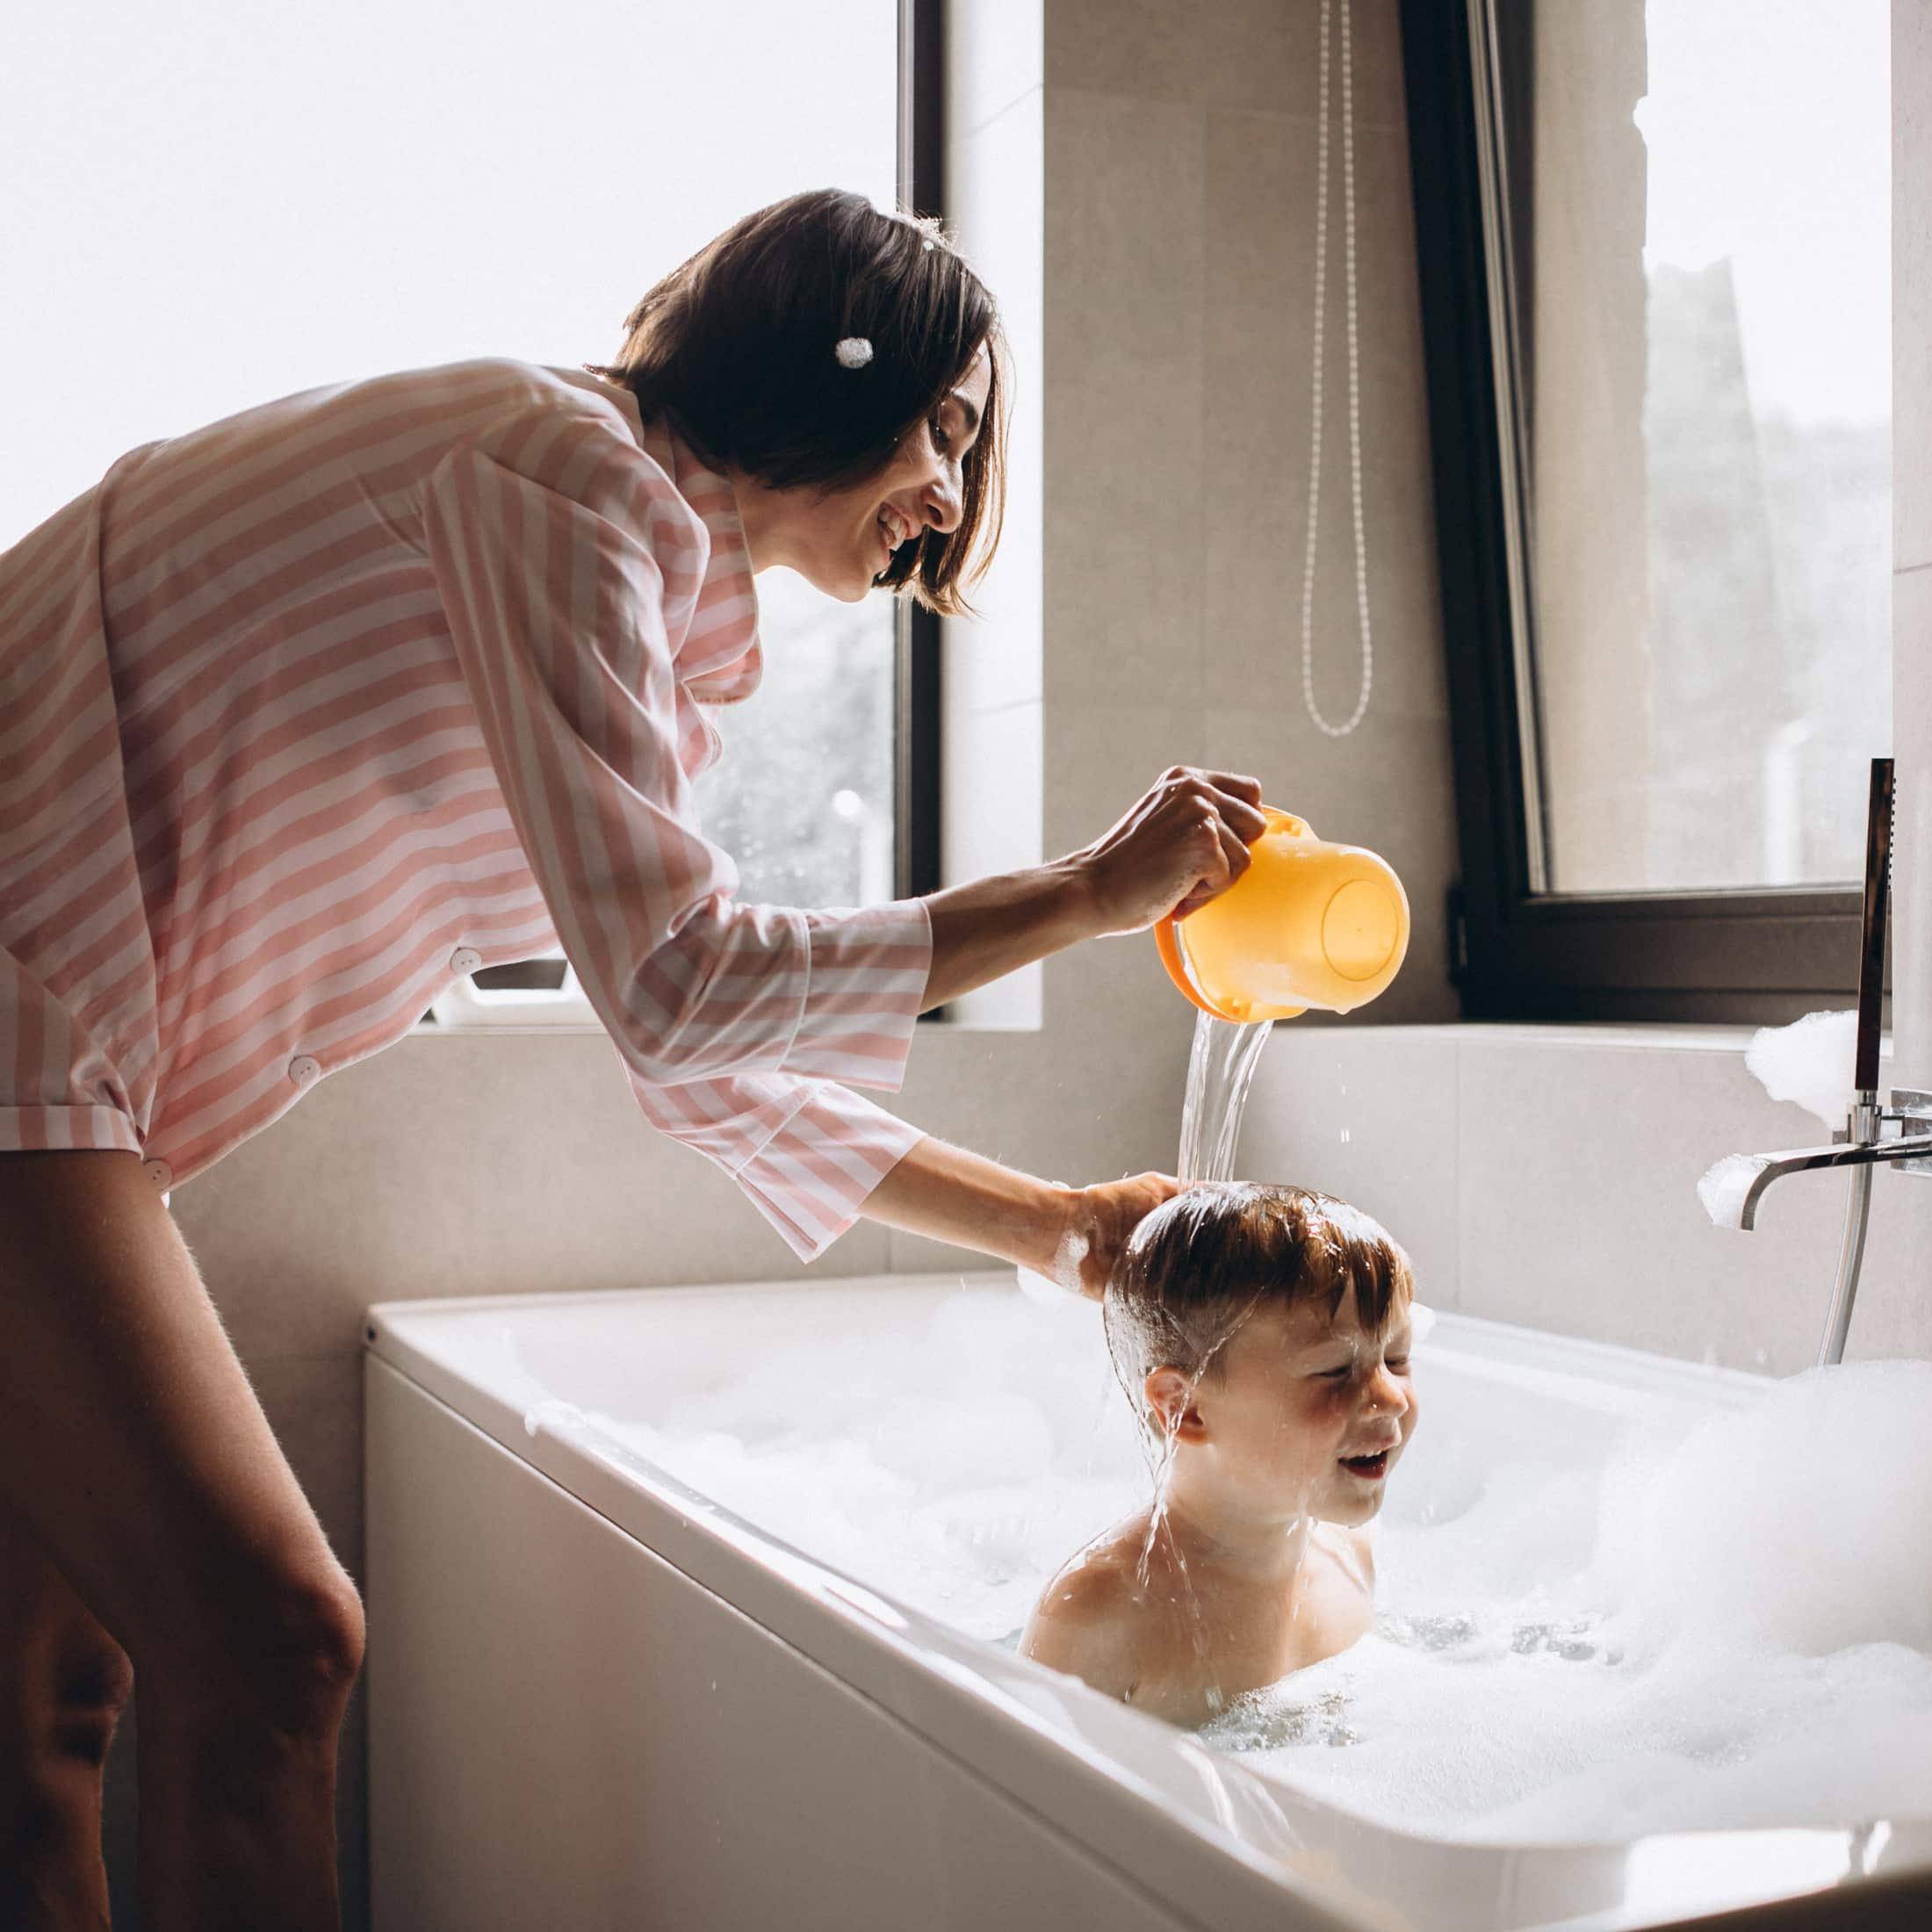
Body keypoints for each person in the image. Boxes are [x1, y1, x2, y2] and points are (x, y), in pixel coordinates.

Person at [0, 187, 1270, 1926]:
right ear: (828, 362)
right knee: (273, 1642)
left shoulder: (615, 589)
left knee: (50, 1705)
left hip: (54, 1058)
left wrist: (1048, 1225)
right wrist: (1078, 894)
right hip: (27, 1036)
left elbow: (688, 1055)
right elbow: (683, 989)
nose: (950, 490)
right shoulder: (562, 471)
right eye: (945, 425)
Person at [1020, 1184, 1418, 1728]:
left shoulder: (1350, 1554)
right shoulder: (1101, 1616)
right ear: (1185, 1408)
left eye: (1397, 1359)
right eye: (1334, 1371)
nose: (1392, 1399)